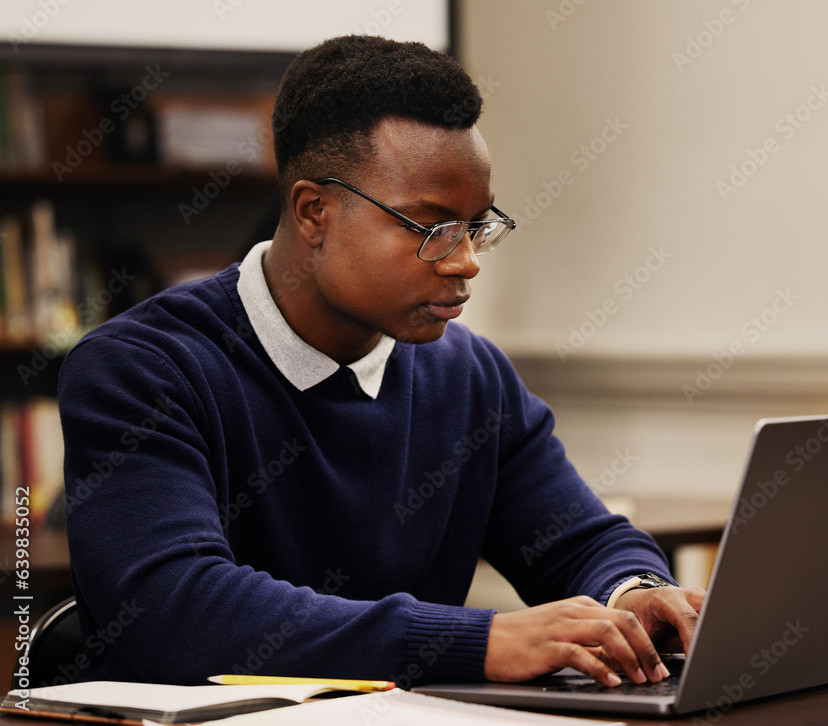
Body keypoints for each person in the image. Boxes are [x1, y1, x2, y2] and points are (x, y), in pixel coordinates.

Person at [58, 35, 704, 689]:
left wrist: (632, 594)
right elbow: (178, 612)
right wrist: (471, 640)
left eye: (477, 226)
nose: (466, 261)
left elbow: (581, 540)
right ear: (315, 212)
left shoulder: (471, 376)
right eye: (431, 229)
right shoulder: (141, 370)